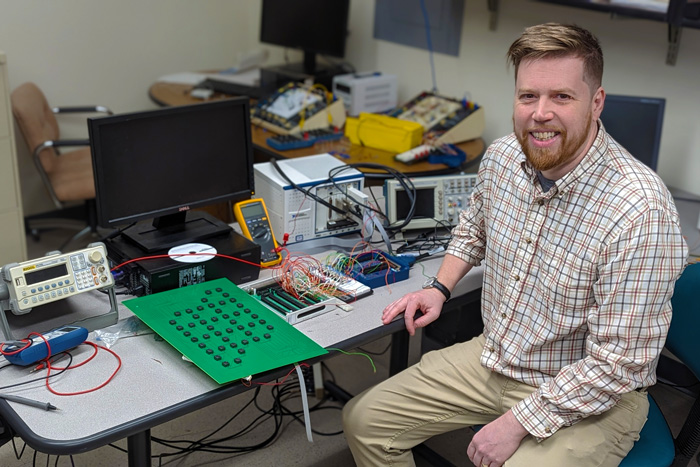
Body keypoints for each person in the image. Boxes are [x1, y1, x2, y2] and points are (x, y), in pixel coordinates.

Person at [342, 23, 688, 467]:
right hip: (497, 356)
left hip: (593, 393)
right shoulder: (504, 156)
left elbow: (620, 365)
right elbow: (473, 230)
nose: (540, 113)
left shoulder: (640, 210)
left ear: (596, 103)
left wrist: (517, 422)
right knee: (365, 421)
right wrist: (439, 288)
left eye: (562, 97)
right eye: (528, 96)